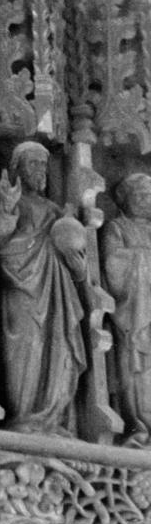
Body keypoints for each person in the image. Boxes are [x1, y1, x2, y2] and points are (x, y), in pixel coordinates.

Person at [0, 138, 90, 432]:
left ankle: (53, 417)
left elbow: (78, 268)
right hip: (23, 289)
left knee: (60, 349)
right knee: (27, 346)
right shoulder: (13, 201)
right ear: (17, 168)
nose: (40, 170)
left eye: (43, 164)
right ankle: (26, 414)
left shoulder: (55, 211)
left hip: (58, 292)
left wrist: (77, 260)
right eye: (33, 163)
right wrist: (6, 209)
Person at [104, 168, 151, 444]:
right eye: (141, 195)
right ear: (125, 199)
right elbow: (113, 267)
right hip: (135, 314)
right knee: (136, 370)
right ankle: (139, 426)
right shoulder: (117, 228)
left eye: (150, 196)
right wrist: (143, 260)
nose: (146, 201)